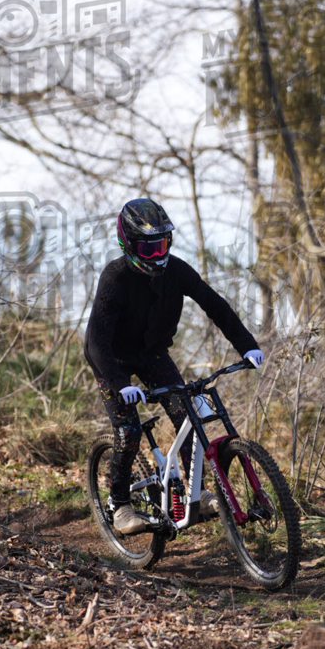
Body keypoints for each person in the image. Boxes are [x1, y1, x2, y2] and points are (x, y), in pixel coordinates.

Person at [84, 198, 263, 535]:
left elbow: (216, 305)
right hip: (111, 358)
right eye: (148, 248)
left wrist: (247, 345)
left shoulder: (177, 271)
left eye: (163, 244)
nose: (158, 254)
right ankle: (120, 505)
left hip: (152, 353)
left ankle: (197, 493)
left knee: (189, 417)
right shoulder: (114, 277)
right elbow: (97, 343)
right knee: (129, 431)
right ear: (129, 245)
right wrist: (122, 383)